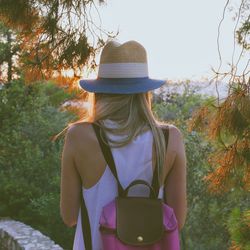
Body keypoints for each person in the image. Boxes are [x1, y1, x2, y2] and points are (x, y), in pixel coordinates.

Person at [59, 40, 187, 250]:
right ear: (144, 92)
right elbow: (177, 220)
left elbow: (69, 216)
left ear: (99, 91)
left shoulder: (79, 136)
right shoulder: (169, 138)